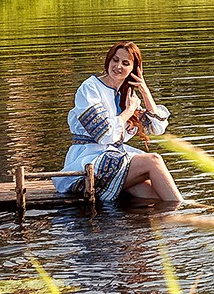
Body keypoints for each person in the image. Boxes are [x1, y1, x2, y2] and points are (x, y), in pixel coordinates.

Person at [54, 41, 183, 209]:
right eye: (115, 60)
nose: (118, 66)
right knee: (154, 160)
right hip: (87, 162)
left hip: (113, 158)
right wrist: (129, 110)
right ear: (108, 60)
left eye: (125, 63)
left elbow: (156, 128)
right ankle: (182, 211)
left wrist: (144, 90)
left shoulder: (127, 93)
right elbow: (105, 134)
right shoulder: (90, 88)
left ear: (134, 69)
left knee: (151, 193)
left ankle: (166, 225)